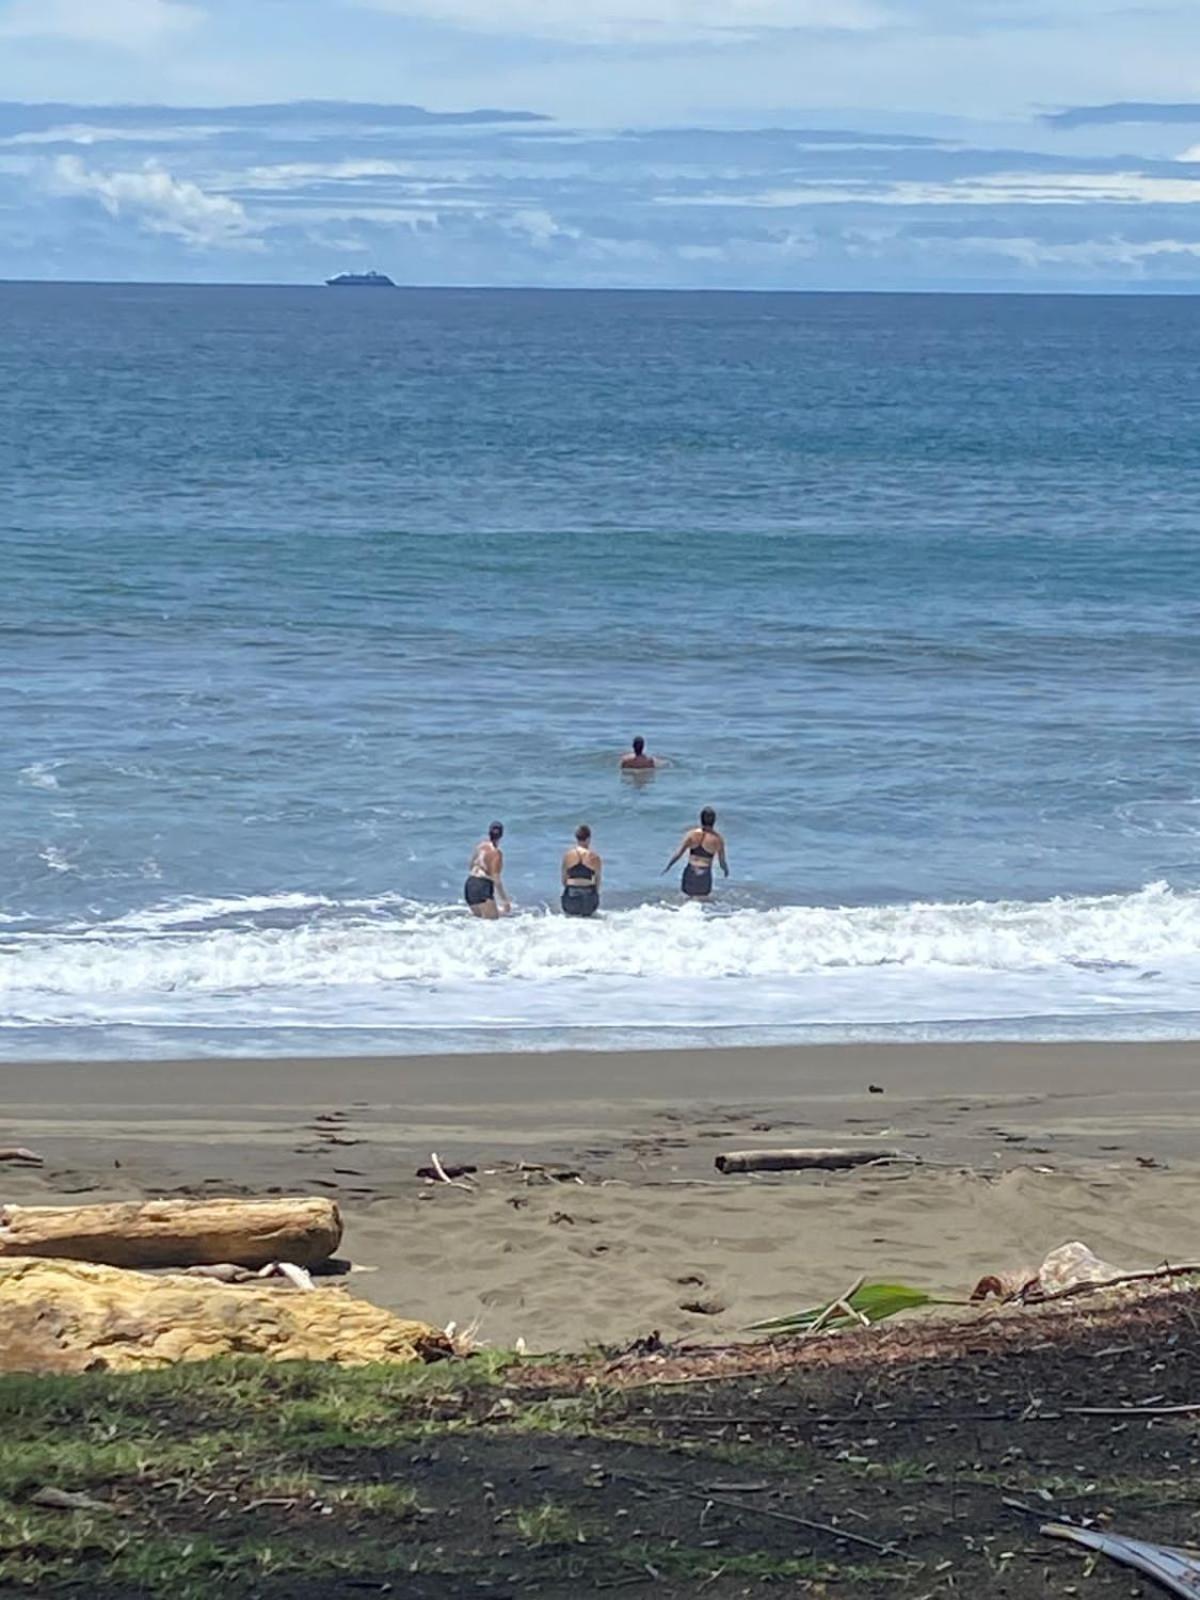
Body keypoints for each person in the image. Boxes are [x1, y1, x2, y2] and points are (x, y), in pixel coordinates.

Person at [664, 807, 728, 899]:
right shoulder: (718, 839)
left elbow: (678, 853)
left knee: (687, 899)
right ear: (714, 820)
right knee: (702, 901)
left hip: (691, 871)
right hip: (705, 874)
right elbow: (722, 862)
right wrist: (725, 870)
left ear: (701, 819)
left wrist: (669, 866)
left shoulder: (691, 834)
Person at [464, 822, 511, 919]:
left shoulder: (480, 846)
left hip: (470, 885)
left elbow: (470, 866)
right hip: (482, 886)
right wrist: (505, 902)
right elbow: (496, 880)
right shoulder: (496, 854)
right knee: (492, 922)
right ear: (501, 835)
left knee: (480, 922)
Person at [561, 823, 602, 918]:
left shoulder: (567, 856)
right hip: (589, 902)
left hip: (570, 901)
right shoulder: (594, 857)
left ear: (576, 838)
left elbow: (563, 881)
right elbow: (598, 882)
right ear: (588, 839)